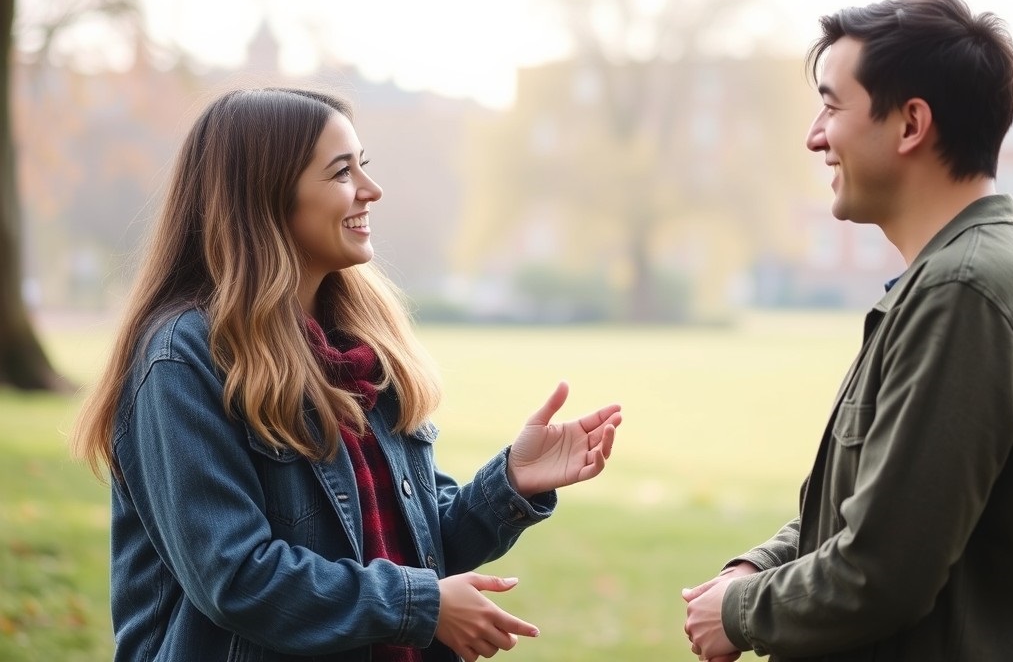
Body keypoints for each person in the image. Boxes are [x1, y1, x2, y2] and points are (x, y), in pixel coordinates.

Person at [70, 86, 623, 662]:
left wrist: (510, 482)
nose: (370, 189)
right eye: (341, 172)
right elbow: (235, 577)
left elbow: (412, 545)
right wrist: (422, 605)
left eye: (363, 166)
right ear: (266, 198)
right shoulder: (183, 359)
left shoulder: (360, 350)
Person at [683, 0, 1013, 661]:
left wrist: (743, 612)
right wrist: (760, 567)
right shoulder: (956, 278)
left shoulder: (966, 293)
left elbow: (882, 572)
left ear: (910, 125)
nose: (815, 135)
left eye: (833, 106)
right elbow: (884, 508)